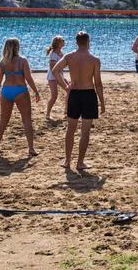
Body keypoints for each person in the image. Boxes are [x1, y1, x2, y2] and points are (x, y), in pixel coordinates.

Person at [52, 31, 105, 172]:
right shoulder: (94, 59)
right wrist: (102, 102)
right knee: (85, 132)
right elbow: (98, 83)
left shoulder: (69, 56)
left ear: (76, 42)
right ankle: (80, 162)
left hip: (75, 94)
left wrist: (66, 87)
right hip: (88, 95)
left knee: (71, 129)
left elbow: (55, 70)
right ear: (88, 42)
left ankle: (67, 160)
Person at [0, 37, 41, 157]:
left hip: (7, 91)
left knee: (3, 121)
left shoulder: (3, 62)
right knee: (27, 121)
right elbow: (28, 78)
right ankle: (31, 148)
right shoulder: (23, 61)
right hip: (20, 90)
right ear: (17, 47)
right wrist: (36, 91)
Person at [44, 35, 67, 121]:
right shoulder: (53, 54)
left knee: (69, 90)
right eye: (62, 40)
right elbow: (52, 68)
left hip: (60, 76)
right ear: (58, 44)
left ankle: (66, 112)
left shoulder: (61, 53)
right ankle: (47, 114)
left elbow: (63, 65)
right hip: (52, 77)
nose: (64, 41)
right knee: (54, 96)